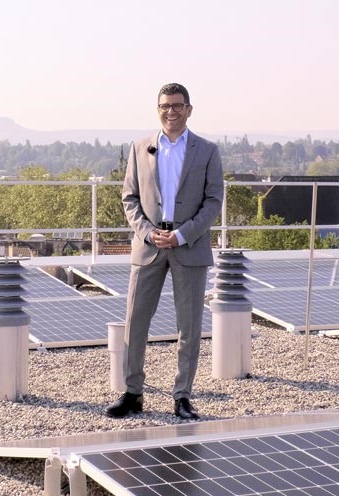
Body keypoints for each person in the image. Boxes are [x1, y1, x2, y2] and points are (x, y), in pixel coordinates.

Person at [106, 83, 223, 419]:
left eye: (177, 105)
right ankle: (132, 393)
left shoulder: (207, 151)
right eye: (164, 106)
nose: (170, 111)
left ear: (189, 109)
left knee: (189, 326)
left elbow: (213, 200)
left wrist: (183, 235)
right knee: (135, 321)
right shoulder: (140, 147)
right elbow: (129, 198)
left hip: (189, 247)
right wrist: (147, 232)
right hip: (148, 247)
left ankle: (182, 396)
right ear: (157, 109)